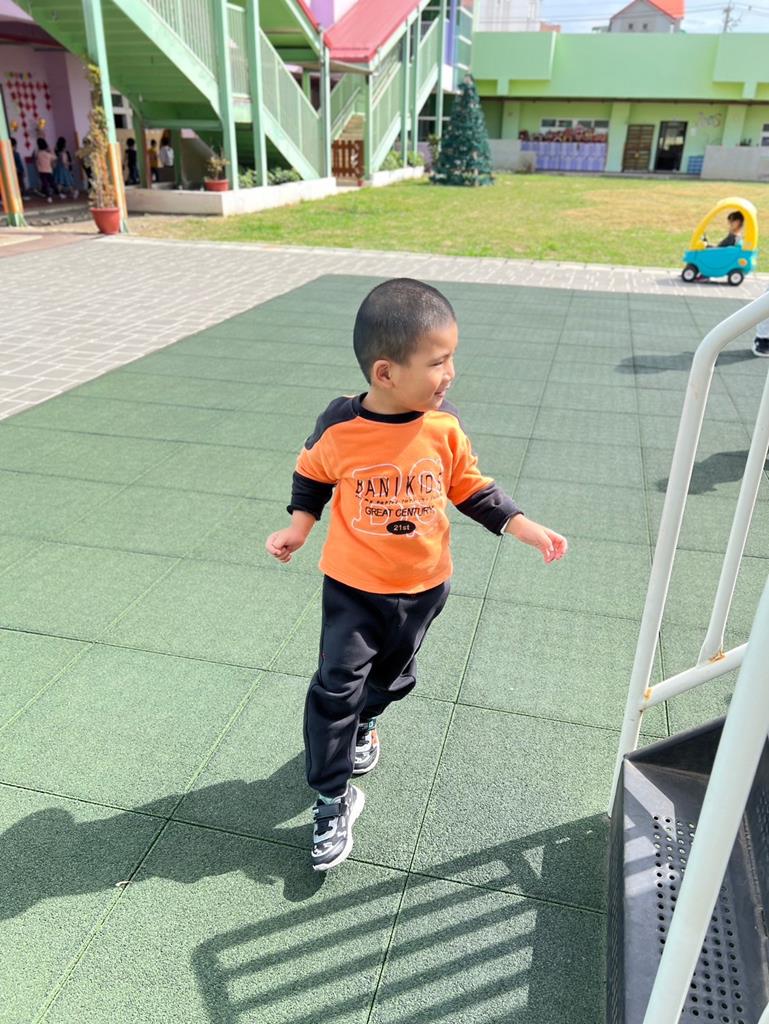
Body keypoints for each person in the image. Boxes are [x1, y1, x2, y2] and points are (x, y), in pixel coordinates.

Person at [265, 278, 568, 871]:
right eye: (437, 362)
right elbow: (312, 474)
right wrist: (300, 527)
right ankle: (332, 797)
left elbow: (469, 486)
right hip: (352, 588)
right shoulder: (340, 426)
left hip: (424, 587)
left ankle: (367, 722)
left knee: (392, 678)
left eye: (451, 358)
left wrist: (522, 525)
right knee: (335, 688)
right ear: (385, 373)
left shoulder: (443, 425)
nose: (450, 373)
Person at [34, 138, 57, 203]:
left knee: (45, 184)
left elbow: (37, 163)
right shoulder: (47, 154)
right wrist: (51, 151)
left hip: (41, 171)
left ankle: (48, 196)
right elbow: (55, 158)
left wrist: (37, 170)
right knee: (52, 183)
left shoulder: (38, 154)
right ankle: (57, 194)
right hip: (48, 171)